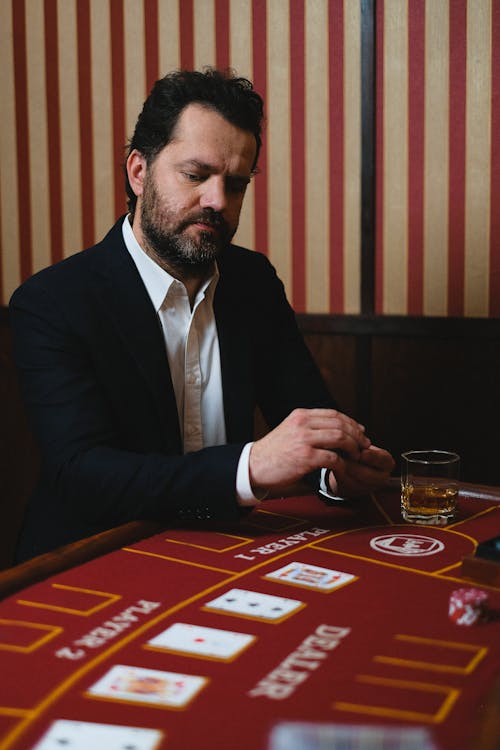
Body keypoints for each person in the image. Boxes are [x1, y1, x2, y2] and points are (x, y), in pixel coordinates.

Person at [9, 68, 394, 562]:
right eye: (196, 176)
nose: (217, 201)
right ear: (138, 172)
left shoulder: (253, 281)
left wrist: (339, 473)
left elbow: (307, 420)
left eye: (236, 184)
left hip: (222, 553)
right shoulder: (52, 301)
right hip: (91, 557)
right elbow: (83, 474)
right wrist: (250, 466)